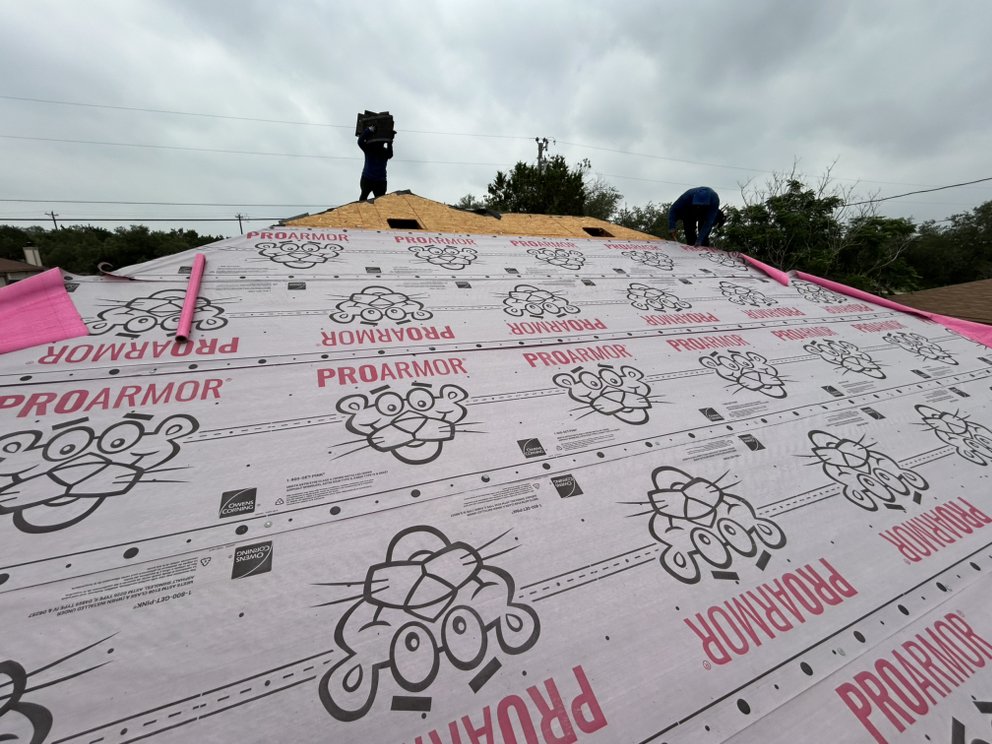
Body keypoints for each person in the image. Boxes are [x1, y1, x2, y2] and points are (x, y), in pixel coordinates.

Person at [357, 126, 394, 202]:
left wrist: (369, 130)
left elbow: (360, 142)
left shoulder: (370, 149)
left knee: (364, 199)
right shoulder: (372, 149)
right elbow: (390, 154)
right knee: (367, 199)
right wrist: (389, 142)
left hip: (375, 180)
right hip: (373, 180)